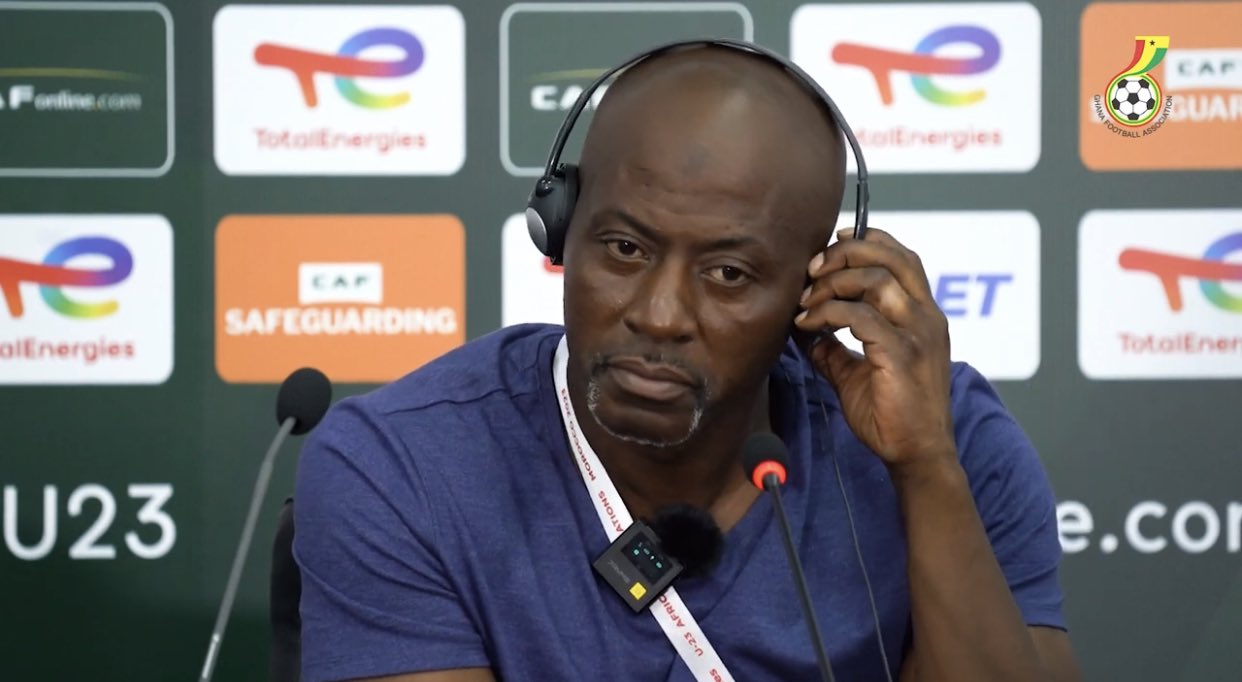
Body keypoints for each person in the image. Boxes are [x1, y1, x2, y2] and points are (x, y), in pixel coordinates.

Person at [292, 43, 1081, 682]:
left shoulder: (951, 436)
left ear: (816, 290)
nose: (660, 314)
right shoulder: (401, 465)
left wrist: (925, 468)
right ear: (561, 229)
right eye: (624, 248)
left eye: (729, 273)